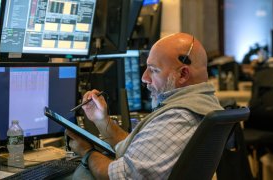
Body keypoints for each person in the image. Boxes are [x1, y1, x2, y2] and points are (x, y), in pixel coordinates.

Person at [66, 33, 223, 179]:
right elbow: (140, 150)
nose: (144, 78)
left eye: (154, 70)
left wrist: (86, 151)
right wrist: (101, 120)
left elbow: (118, 175)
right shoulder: (202, 104)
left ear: (183, 74)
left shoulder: (179, 116)